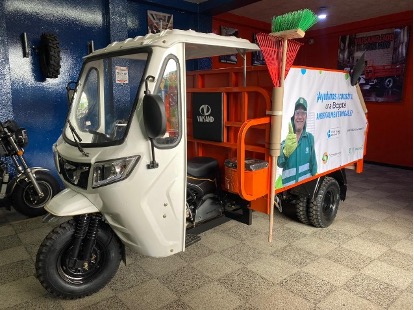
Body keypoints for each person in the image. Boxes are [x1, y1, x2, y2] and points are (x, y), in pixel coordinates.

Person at [277, 97, 317, 186]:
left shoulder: (310, 138)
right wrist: (285, 152)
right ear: (293, 116)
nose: (300, 117)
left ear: (306, 117)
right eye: (297, 113)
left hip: (305, 189)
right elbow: (280, 164)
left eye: (303, 113)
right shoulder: (286, 142)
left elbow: (313, 164)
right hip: (288, 190)